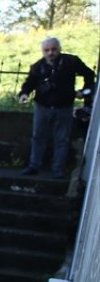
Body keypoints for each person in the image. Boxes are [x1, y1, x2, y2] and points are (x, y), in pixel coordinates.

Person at [18, 36, 96, 178]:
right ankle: (34, 166)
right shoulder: (38, 66)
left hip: (64, 106)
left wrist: (84, 91)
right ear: (42, 51)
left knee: (62, 139)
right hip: (42, 106)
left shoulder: (71, 61)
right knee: (38, 137)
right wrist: (24, 94)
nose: (50, 53)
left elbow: (89, 74)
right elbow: (29, 82)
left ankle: (57, 170)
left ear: (59, 49)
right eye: (47, 50)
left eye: (53, 49)